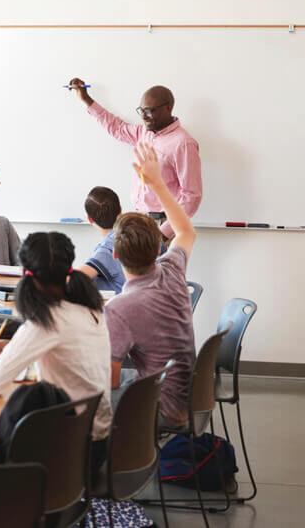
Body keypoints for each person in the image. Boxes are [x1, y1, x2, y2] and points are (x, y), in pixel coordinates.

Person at [0, 231, 112, 475]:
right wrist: (15, 343)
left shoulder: (46, 321)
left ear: (27, 274)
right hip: (96, 446)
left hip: (68, 456)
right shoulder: (90, 309)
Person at [105, 143, 197, 428]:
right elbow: (185, 230)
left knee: (77, 400)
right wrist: (157, 184)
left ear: (115, 255)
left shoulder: (119, 308)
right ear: (159, 248)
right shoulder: (172, 269)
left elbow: (110, 381)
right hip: (189, 399)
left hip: (161, 411)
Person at [68, 78, 202, 242]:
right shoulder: (144, 133)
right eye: (142, 111)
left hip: (163, 223)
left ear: (168, 107)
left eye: (150, 111)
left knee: (158, 269)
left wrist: (163, 233)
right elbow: (116, 127)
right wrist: (86, 99)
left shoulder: (183, 143)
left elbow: (191, 196)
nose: (144, 117)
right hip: (138, 221)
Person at [75, 186, 126, 293]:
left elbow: (72, 279)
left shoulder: (107, 248)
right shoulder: (142, 233)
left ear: (90, 219)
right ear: (120, 210)